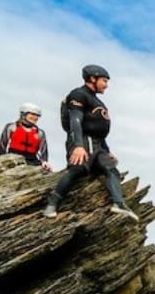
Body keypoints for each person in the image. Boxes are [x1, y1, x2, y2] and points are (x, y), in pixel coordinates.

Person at [42, 64, 138, 221]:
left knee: (111, 169)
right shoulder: (79, 94)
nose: (106, 85)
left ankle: (118, 203)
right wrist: (78, 146)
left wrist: (107, 149)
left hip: (98, 144)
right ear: (92, 78)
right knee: (78, 170)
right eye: (104, 81)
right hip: (83, 140)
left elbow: (98, 129)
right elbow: (76, 121)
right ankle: (52, 203)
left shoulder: (96, 101)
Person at [0, 103, 51, 170]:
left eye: (37, 115)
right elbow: (2, 145)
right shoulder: (11, 127)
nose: (35, 117)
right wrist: (3, 160)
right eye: (32, 114)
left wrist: (44, 161)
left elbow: (44, 150)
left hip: (32, 161)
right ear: (23, 114)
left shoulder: (40, 133)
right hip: (12, 158)